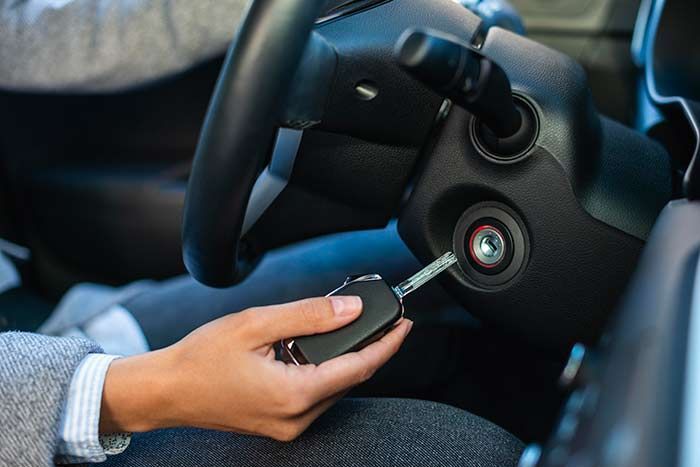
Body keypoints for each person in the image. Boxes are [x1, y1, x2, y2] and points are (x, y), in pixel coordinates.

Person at [0, 1, 525, 466]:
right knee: (462, 452)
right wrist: (147, 390)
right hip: (48, 422)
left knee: (406, 257)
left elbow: (59, 31)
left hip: (41, 343)